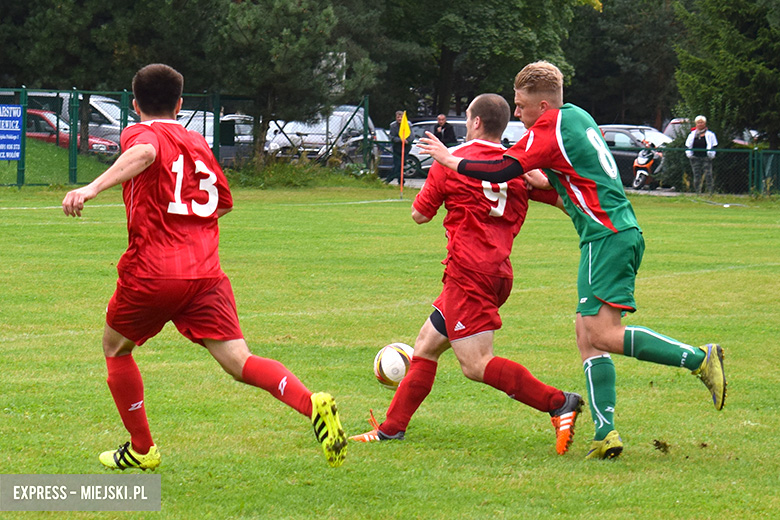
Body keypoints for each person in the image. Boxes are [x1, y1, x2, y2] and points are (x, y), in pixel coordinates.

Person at [418, 61, 726, 460]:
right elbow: (571, 179)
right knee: (586, 335)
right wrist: (545, 183)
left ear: (542, 104)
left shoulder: (546, 128)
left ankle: (700, 359)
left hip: (606, 237)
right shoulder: (577, 117)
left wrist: (450, 159)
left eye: (521, 105)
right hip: (612, 233)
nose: (517, 113)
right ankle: (606, 433)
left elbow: (502, 168)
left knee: (602, 334)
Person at [61, 64, 347, 470]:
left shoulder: (140, 133)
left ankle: (142, 450)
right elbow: (223, 201)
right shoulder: (196, 142)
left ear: (135, 101)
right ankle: (310, 402)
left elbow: (144, 153)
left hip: (154, 271)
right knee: (239, 361)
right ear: (180, 104)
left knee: (115, 348)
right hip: (205, 274)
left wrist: (91, 188)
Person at [351, 93, 584, 456]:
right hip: (497, 273)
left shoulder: (452, 161)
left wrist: (443, 175)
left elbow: (419, 214)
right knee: (426, 346)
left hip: (469, 273)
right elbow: (558, 198)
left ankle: (558, 402)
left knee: (476, 365)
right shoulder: (516, 165)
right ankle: (391, 429)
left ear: (474, 122)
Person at [685, 115, 718, 194]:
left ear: (705, 123)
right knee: (696, 175)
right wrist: (689, 155)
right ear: (696, 124)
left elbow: (714, 145)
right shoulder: (692, 135)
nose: (700, 124)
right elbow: (687, 145)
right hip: (695, 157)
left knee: (708, 175)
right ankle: (697, 192)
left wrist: (711, 155)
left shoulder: (710, 135)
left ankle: (710, 192)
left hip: (706, 157)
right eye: (698, 123)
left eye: (702, 122)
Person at [388, 110, 412, 183]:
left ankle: (400, 180)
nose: (399, 119)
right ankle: (391, 179)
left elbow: (411, 136)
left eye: (401, 117)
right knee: (397, 165)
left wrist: (407, 141)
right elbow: (391, 137)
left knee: (402, 165)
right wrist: (400, 140)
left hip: (406, 148)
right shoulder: (393, 125)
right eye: (398, 117)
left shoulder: (408, 124)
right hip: (397, 148)